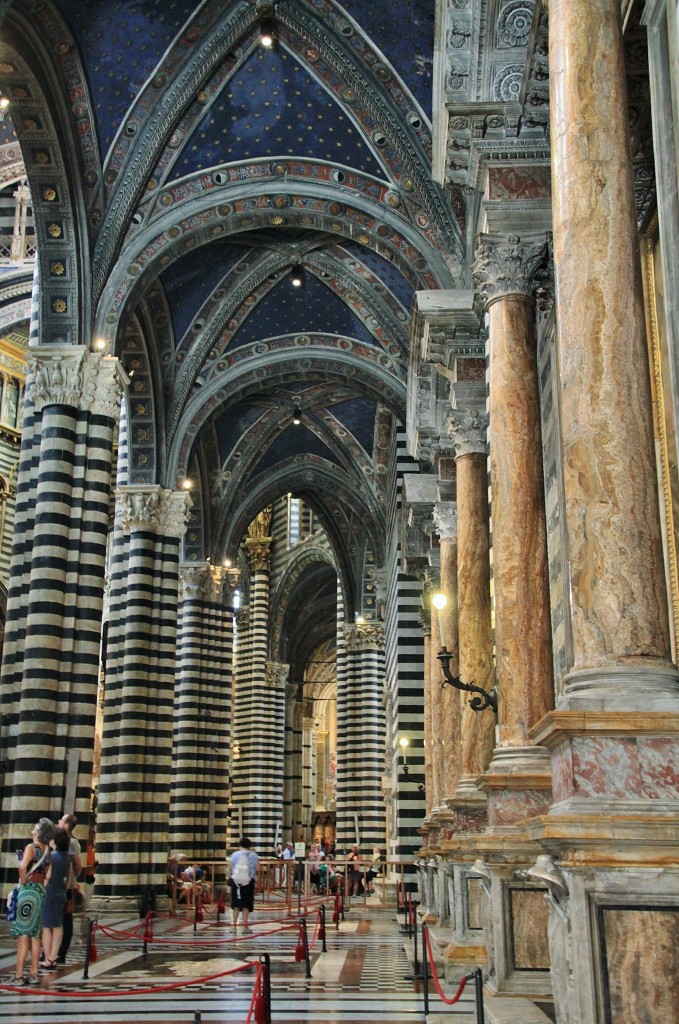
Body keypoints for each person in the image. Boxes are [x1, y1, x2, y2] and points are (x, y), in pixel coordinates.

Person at [10, 817, 54, 985]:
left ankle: (19, 975)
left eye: (37, 826)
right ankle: (34, 973)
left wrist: (23, 881)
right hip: (41, 892)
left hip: (28, 892)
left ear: (40, 832)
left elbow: (22, 867)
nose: (34, 827)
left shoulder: (31, 847)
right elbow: (48, 876)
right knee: (36, 934)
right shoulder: (48, 851)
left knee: (23, 934)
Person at [41, 828, 70, 969]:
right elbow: (68, 879)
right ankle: (53, 956)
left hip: (49, 891)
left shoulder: (51, 856)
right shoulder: (66, 856)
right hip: (60, 892)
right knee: (58, 925)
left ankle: (49, 958)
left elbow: (47, 876)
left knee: (46, 926)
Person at [56, 814, 82, 965]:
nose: (58, 822)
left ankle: (62, 952)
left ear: (66, 825)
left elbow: (78, 867)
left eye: (61, 820)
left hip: (66, 887)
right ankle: (53, 952)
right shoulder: (63, 841)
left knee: (66, 920)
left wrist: (71, 880)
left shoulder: (72, 842)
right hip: (60, 885)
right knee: (57, 919)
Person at [229, 837, 259, 932]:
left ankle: (233, 925)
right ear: (250, 846)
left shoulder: (234, 855)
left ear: (240, 845)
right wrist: (258, 882)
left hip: (236, 881)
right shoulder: (254, 855)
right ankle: (245, 926)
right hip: (249, 881)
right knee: (246, 904)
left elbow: (230, 868)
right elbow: (257, 869)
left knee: (236, 904)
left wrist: (229, 877)